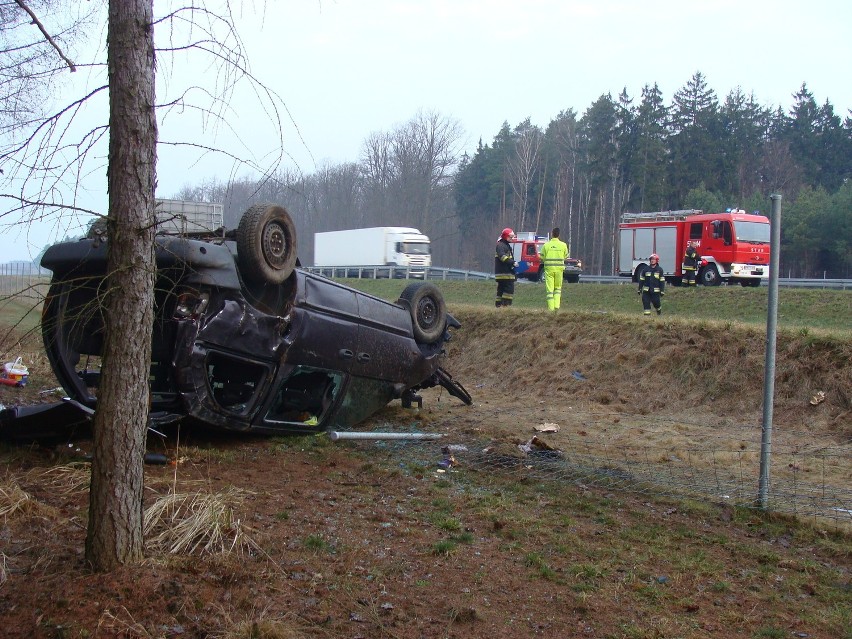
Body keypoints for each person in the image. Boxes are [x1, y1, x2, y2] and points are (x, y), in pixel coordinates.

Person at [539, 227, 569, 312]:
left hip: (549, 270)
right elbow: (566, 256)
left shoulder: (546, 245)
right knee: (558, 288)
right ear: (559, 235)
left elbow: (541, 257)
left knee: (550, 291)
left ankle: (551, 309)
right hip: (559, 270)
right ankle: (557, 306)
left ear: (552, 234)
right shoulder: (563, 245)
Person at [494, 227, 517, 307]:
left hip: (504, 273)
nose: (512, 238)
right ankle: (505, 306)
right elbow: (502, 257)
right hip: (505, 274)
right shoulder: (501, 246)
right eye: (510, 237)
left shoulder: (505, 245)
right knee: (508, 291)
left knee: (500, 291)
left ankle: (498, 306)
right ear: (505, 236)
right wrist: (513, 262)